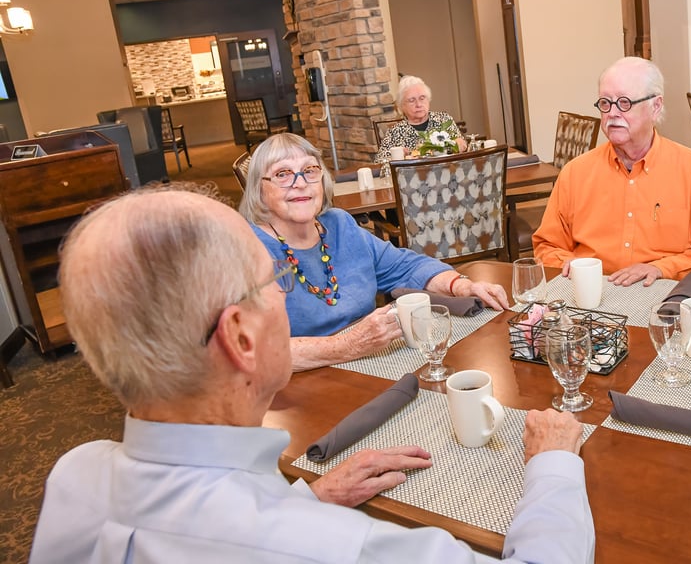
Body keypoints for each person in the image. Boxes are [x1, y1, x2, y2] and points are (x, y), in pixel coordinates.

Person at [29, 185, 595, 563]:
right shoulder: (332, 549)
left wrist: (309, 499)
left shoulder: (72, 478)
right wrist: (554, 466)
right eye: (271, 280)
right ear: (240, 337)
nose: (282, 291)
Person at [240, 133, 509, 371]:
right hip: (299, 389)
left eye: (310, 170)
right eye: (282, 174)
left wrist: (460, 285)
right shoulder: (249, 251)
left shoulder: (339, 225)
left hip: (371, 368)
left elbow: (405, 266)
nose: (300, 183)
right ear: (260, 190)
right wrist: (347, 345)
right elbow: (257, 351)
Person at [532, 56, 691, 286]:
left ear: (656, 106)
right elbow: (547, 245)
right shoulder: (576, 173)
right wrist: (569, 264)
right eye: (605, 103)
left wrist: (661, 269)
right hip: (588, 300)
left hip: (664, 300)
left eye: (624, 103)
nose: (612, 113)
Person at [375, 75, 466, 162]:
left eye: (422, 98)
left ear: (428, 100)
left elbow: (462, 146)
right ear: (402, 106)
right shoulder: (395, 132)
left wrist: (457, 145)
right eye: (412, 100)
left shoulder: (443, 120)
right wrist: (396, 155)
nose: (418, 104)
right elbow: (379, 161)